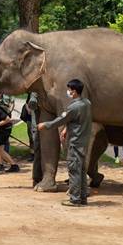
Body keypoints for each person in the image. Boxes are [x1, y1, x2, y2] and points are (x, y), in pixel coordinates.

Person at [38, 79, 92, 207]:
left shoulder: (74, 107)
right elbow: (76, 120)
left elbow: (60, 120)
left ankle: (74, 199)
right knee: (81, 170)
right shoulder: (87, 103)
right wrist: (67, 128)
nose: (68, 92)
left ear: (74, 91)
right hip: (84, 142)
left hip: (75, 143)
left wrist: (45, 125)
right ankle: (83, 197)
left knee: (74, 170)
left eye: (69, 90)